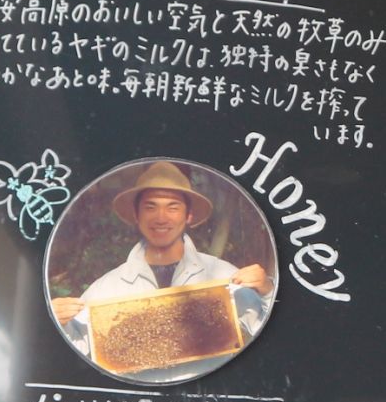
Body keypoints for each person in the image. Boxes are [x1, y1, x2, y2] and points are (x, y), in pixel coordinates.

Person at [53, 162, 274, 383]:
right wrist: (58, 324)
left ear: (188, 216)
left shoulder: (223, 276)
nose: (161, 217)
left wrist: (267, 290)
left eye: (173, 207)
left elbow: (270, 335)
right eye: (150, 207)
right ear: (136, 215)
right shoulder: (105, 288)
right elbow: (76, 352)